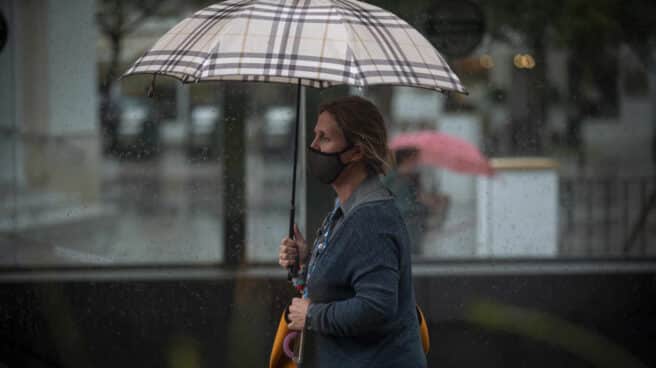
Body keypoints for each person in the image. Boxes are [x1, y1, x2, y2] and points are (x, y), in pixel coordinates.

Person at [278, 96, 426, 368]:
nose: (314, 146)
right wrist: (305, 263)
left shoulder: (370, 218)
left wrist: (312, 315)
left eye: (325, 138)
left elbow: (377, 307)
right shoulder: (345, 208)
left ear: (356, 152)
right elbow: (344, 280)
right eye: (314, 136)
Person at [382, 148, 429, 255]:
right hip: (404, 229)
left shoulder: (411, 178)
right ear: (406, 159)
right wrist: (423, 205)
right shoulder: (394, 179)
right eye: (415, 160)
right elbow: (403, 207)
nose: (417, 164)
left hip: (413, 228)